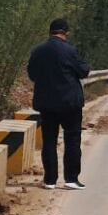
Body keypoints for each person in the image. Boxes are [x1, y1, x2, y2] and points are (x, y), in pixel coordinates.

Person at [27, 18, 89, 190]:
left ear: (50, 32)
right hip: (70, 103)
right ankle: (71, 179)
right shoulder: (71, 51)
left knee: (49, 140)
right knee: (72, 139)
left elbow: (32, 75)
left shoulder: (38, 51)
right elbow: (84, 71)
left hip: (46, 104)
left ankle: (50, 180)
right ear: (65, 33)